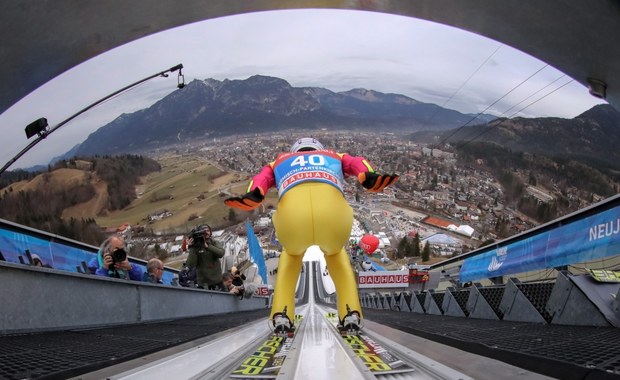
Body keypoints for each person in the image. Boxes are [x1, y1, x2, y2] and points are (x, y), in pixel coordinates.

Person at [225, 137, 398, 333]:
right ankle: (351, 313)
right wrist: (369, 176)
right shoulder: (334, 156)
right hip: (333, 216)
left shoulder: (279, 161)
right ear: (319, 149)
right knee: (338, 261)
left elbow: (260, 180)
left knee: (290, 261)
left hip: (293, 219)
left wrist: (254, 194)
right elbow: (357, 162)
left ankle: (282, 314)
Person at [185, 224, 226, 290]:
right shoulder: (196, 247)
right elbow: (191, 265)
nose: (206, 232)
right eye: (204, 231)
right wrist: (192, 247)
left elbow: (221, 253)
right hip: (204, 284)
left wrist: (208, 246)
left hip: (217, 281)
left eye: (208, 231)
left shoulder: (214, 243)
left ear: (210, 233)